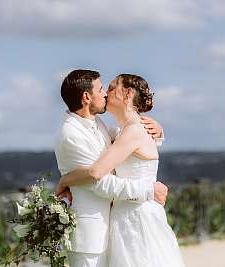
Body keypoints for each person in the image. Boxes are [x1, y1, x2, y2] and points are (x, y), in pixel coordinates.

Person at [56, 74, 185, 267]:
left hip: (135, 218)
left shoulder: (125, 129)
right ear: (86, 97)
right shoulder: (77, 132)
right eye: (102, 89)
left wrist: (66, 180)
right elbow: (101, 170)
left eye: (110, 87)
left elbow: (95, 172)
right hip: (112, 224)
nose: (106, 94)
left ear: (128, 93)